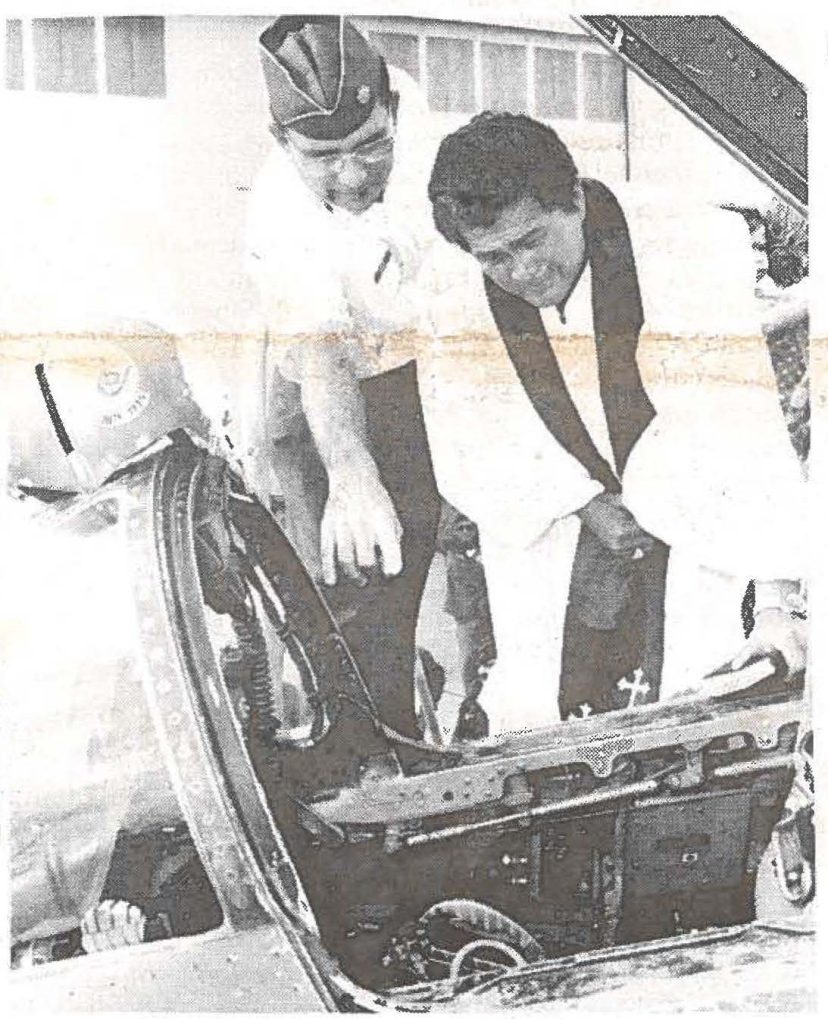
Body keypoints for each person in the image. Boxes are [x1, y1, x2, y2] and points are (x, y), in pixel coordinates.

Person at [424, 112, 807, 729]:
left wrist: (774, 601)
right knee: (546, 716)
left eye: (530, 241)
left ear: (573, 198)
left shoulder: (682, 247)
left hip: (694, 525)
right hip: (559, 533)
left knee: (700, 705)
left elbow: (738, 422)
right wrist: (582, 502)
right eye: (495, 258)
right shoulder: (450, 283)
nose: (521, 274)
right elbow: (468, 429)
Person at [245, 15, 445, 741]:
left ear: (391, 106)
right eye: (323, 158)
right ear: (281, 143)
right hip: (331, 385)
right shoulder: (278, 212)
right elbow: (323, 351)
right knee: (357, 581)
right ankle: (382, 737)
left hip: (438, 352)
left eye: (370, 147)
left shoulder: (427, 131)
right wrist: (353, 473)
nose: (354, 176)